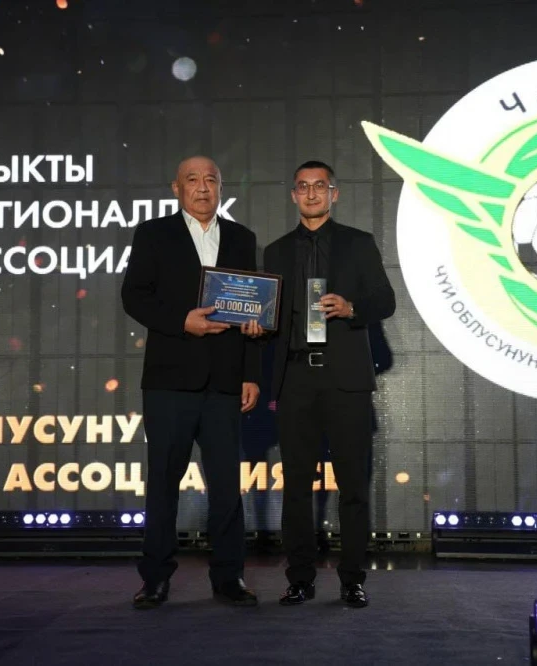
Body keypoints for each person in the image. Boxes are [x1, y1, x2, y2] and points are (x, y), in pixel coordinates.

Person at [122, 156, 263, 609]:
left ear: (221, 188)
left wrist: (251, 372)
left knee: (226, 486)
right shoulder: (153, 234)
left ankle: (229, 577)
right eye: (193, 180)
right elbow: (133, 296)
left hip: (225, 382)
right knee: (163, 483)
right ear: (176, 188)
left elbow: (252, 307)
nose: (203, 188)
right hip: (169, 381)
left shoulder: (242, 238)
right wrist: (181, 321)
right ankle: (155, 579)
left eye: (211, 180)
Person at [263, 160, 396, 608]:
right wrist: (255, 322)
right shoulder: (276, 252)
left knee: (353, 486)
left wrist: (352, 307)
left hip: (346, 378)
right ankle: (299, 579)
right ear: (293, 195)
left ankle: (352, 579)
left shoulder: (359, 243)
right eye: (303, 186)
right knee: (296, 487)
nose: (311, 193)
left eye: (319, 186)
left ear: (334, 194)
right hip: (296, 377)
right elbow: (269, 316)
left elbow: (385, 301)